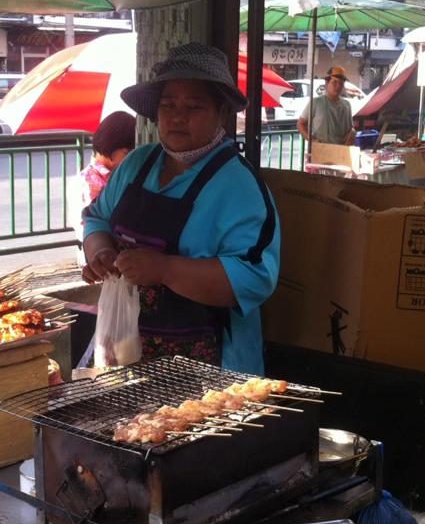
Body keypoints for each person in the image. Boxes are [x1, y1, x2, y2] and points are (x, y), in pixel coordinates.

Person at [81, 43, 280, 375]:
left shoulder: (239, 186)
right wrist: (100, 252)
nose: (177, 116)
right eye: (168, 104)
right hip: (124, 353)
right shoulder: (136, 165)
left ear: (221, 113)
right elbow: (97, 217)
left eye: (194, 106)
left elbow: (254, 278)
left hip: (211, 368)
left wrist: (165, 270)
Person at [70, 111, 137, 264]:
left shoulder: (122, 175)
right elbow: (89, 226)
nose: (131, 158)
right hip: (102, 258)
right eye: (127, 153)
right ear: (112, 148)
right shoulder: (87, 181)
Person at [297, 66, 355, 145]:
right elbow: (300, 124)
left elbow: (351, 128)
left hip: (342, 151)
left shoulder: (347, 105)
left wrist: (353, 132)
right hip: (321, 150)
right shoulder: (316, 102)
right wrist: (312, 140)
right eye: (334, 82)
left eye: (341, 83)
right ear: (327, 84)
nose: (338, 86)